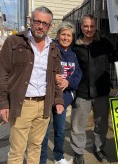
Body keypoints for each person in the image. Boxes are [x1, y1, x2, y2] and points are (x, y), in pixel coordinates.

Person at [0, 6, 64, 164]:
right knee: (17, 151)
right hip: (22, 104)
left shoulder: (54, 48)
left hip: (44, 105)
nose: (40, 26)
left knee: (36, 147)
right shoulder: (14, 42)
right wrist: (3, 104)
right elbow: (2, 73)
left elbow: (57, 78)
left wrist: (58, 100)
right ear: (31, 21)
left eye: (45, 23)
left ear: (50, 26)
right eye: (37, 21)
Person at [70, 14, 118, 164]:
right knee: (77, 125)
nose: (89, 29)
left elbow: (116, 59)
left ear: (96, 27)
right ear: (81, 27)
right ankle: (78, 153)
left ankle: (99, 149)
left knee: (101, 124)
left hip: (102, 91)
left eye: (92, 26)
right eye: (86, 26)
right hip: (82, 92)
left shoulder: (104, 43)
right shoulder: (75, 45)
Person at [40, 21, 82, 164]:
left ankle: (58, 156)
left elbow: (78, 75)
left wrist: (68, 82)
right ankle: (42, 159)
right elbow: (39, 70)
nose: (65, 38)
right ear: (58, 35)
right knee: (44, 132)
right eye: (63, 34)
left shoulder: (73, 55)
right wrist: (52, 77)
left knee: (60, 130)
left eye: (69, 35)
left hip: (63, 98)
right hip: (47, 96)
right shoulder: (50, 49)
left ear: (72, 37)